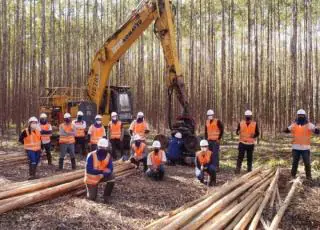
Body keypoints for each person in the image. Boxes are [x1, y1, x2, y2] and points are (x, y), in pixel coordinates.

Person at [284, 109, 319, 180]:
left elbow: (317, 131)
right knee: (294, 163)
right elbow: (286, 130)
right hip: (295, 148)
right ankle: (292, 176)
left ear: (304, 116)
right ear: (297, 116)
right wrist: (286, 129)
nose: (300, 117)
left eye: (302, 115)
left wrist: (317, 129)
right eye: (299, 115)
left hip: (305, 148)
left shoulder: (309, 125)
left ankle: (308, 177)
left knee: (307, 163)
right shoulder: (294, 124)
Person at [84, 138, 114, 202]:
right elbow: (88, 170)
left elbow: (110, 169)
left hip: (102, 176)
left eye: (104, 148)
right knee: (92, 198)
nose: (102, 149)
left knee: (112, 177)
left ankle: (106, 197)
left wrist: (103, 175)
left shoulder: (108, 156)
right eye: (101, 147)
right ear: (97, 147)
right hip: (91, 179)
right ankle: (89, 190)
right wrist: (101, 172)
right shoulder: (91, 155)